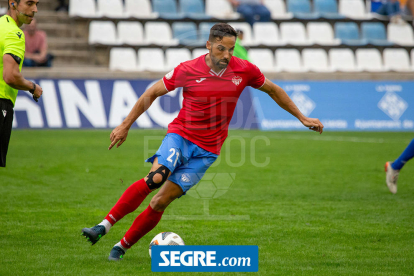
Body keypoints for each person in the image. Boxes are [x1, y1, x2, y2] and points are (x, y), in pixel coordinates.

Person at [81, 23, 324, 261]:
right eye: (221, 49)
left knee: (160, 201)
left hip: (207, 150)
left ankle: (121, 247)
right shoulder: (187, 69)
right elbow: (152, 93)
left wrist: (301, 117)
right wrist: (125, 124)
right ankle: (103, 226)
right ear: (209, 45)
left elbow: (273, 90)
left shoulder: (245, 70)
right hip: (181, 136)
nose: (227, 55)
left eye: (231, 49)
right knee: (156, 178)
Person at [0, 0, 43, 168]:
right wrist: (32, 87)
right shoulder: (14, 34)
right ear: (13, 4)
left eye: (36, 4)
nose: (35, 9)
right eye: (29, 3)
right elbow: (10, 76)